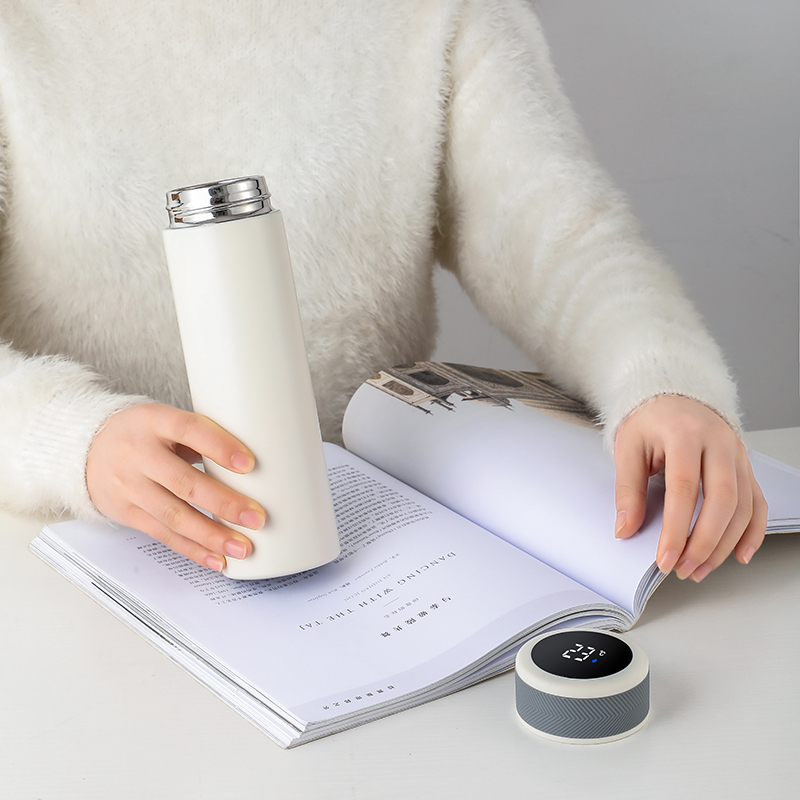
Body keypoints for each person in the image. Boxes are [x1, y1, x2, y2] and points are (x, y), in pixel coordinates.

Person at [0, 0, 766, 581]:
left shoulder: (437, 14)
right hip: (68, 561)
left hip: (369, 552)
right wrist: (74, 443)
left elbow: (561, 242)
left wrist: (663, 380)